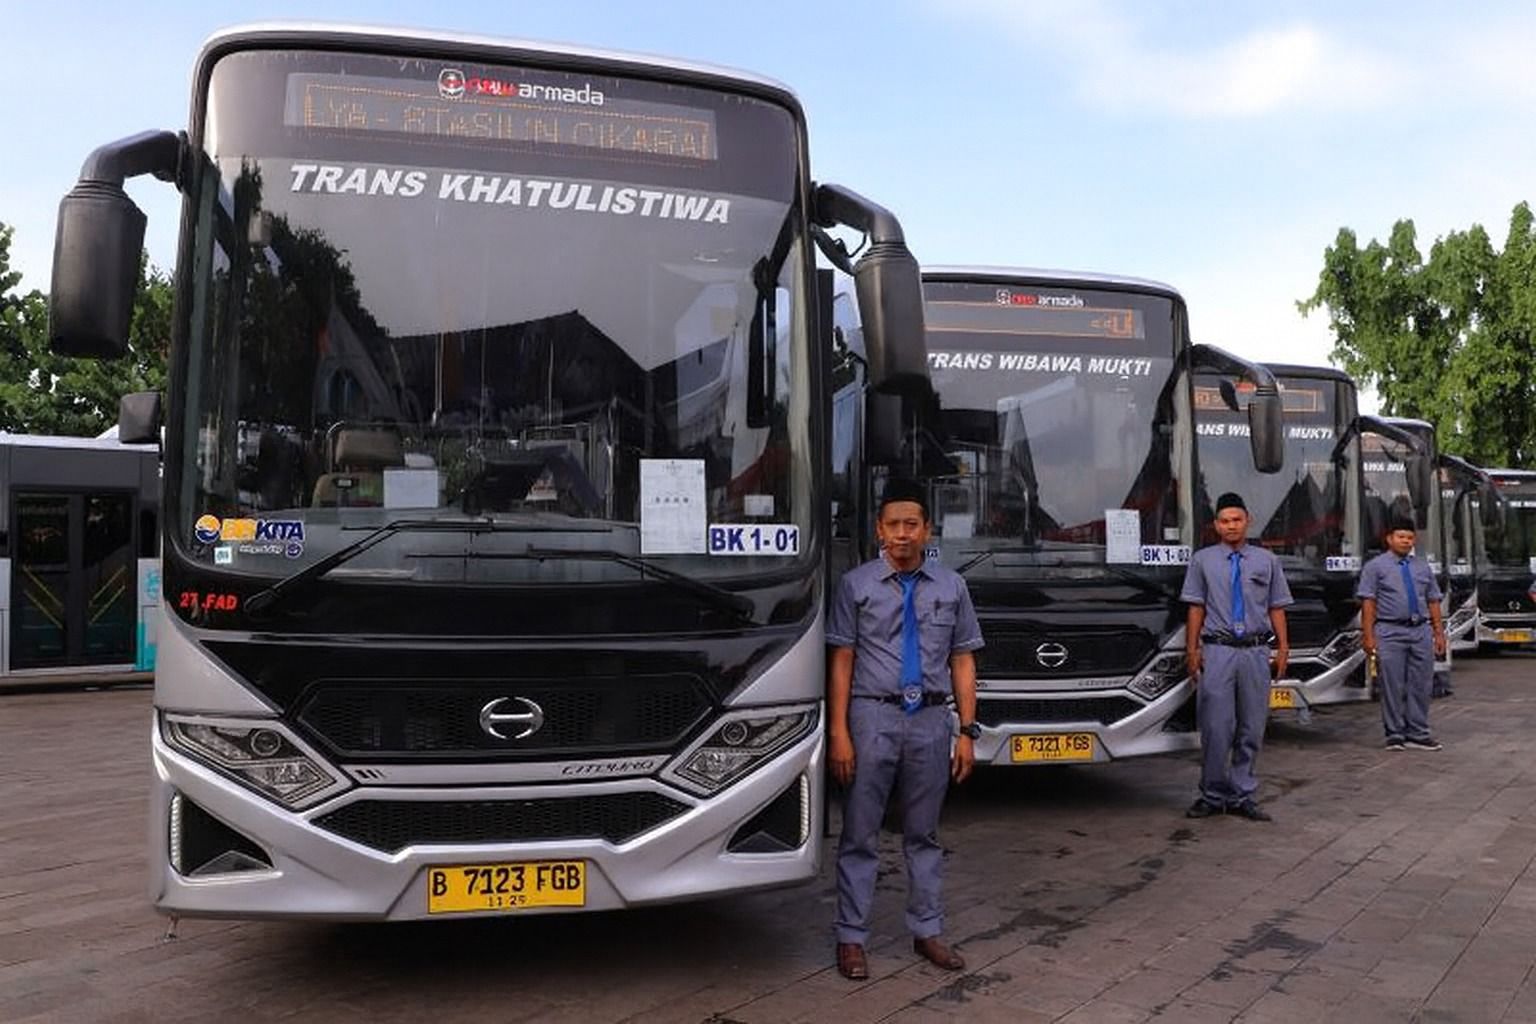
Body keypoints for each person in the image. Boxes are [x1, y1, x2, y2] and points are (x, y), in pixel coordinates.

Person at [826, 477, 984, 981]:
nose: (901, 534)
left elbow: (962, 660)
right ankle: (852, 938)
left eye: (911, 525)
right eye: (892, 525)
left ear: (927, 529)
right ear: (879, 529)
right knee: (860, 833)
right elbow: (842, 661)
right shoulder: (855, 585)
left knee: (925, 833)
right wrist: (839, 733)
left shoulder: (952, 586)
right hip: (873, 717)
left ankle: (928, 930)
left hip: (932, 722)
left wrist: (967, 730)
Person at [1181, 492, 1292, 822]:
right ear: (1216, 525)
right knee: (1216, 726)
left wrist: (1283, 647)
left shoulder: (1267, 561)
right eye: (1225, 521)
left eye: (1237, 520)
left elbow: (1277, 606)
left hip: (1256, 652)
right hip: (1218, 651)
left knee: (1252, 725)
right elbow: (1195, 607)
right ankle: (1212, 794)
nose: (1231, 526)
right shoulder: (1203, 560)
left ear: (1248, 521)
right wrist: (1192, 649)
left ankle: (1243, 793)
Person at [1359, 518, 1446, 751]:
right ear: (1389, 539)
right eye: (1401, 537)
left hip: (1420, 630)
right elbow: (1368, 602)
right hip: (1389, 631)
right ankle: (1395, 733)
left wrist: (1439, 633)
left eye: (1409, 537)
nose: (1405, 541)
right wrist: (1368, 635)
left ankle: (1418, 733)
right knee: (1392, 684)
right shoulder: (1375, 567)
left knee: (1421, 683)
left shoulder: (1422, 566)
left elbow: (1433, 600)